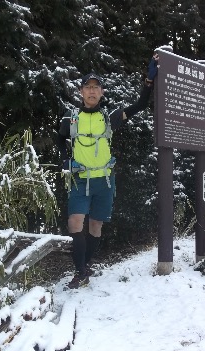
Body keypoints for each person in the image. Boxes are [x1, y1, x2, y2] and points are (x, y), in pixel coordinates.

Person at [57, 53, 159, 288]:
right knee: (75, 222)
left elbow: (141, 105)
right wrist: (64, 160)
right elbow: (60, 139)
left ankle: (85, 265)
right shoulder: (71, 118)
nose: (92, 91)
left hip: (104, 180)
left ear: (102, 92)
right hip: (80, 179)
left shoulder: (109, 117)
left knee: (95, 226)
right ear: (81, 92)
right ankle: (81, 271)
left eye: (96, 87)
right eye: (87, 87)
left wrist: (149, 81)